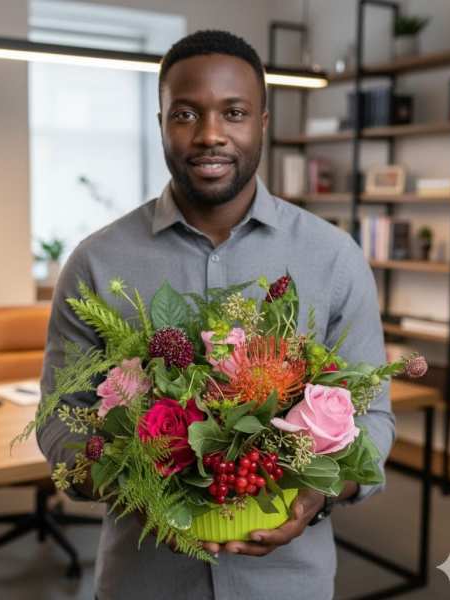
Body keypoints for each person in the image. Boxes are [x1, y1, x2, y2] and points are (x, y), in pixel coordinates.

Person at [37, 29, 394, 600]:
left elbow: (372, 419)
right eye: (185, 114)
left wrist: (319, 493)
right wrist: (128, 480)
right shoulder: (96, 262)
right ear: (161, 124)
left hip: (288, 586)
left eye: (234, 112)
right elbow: (60, 418)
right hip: (145, 583)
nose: (209, 134)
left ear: (262, 123)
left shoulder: (332, 257)